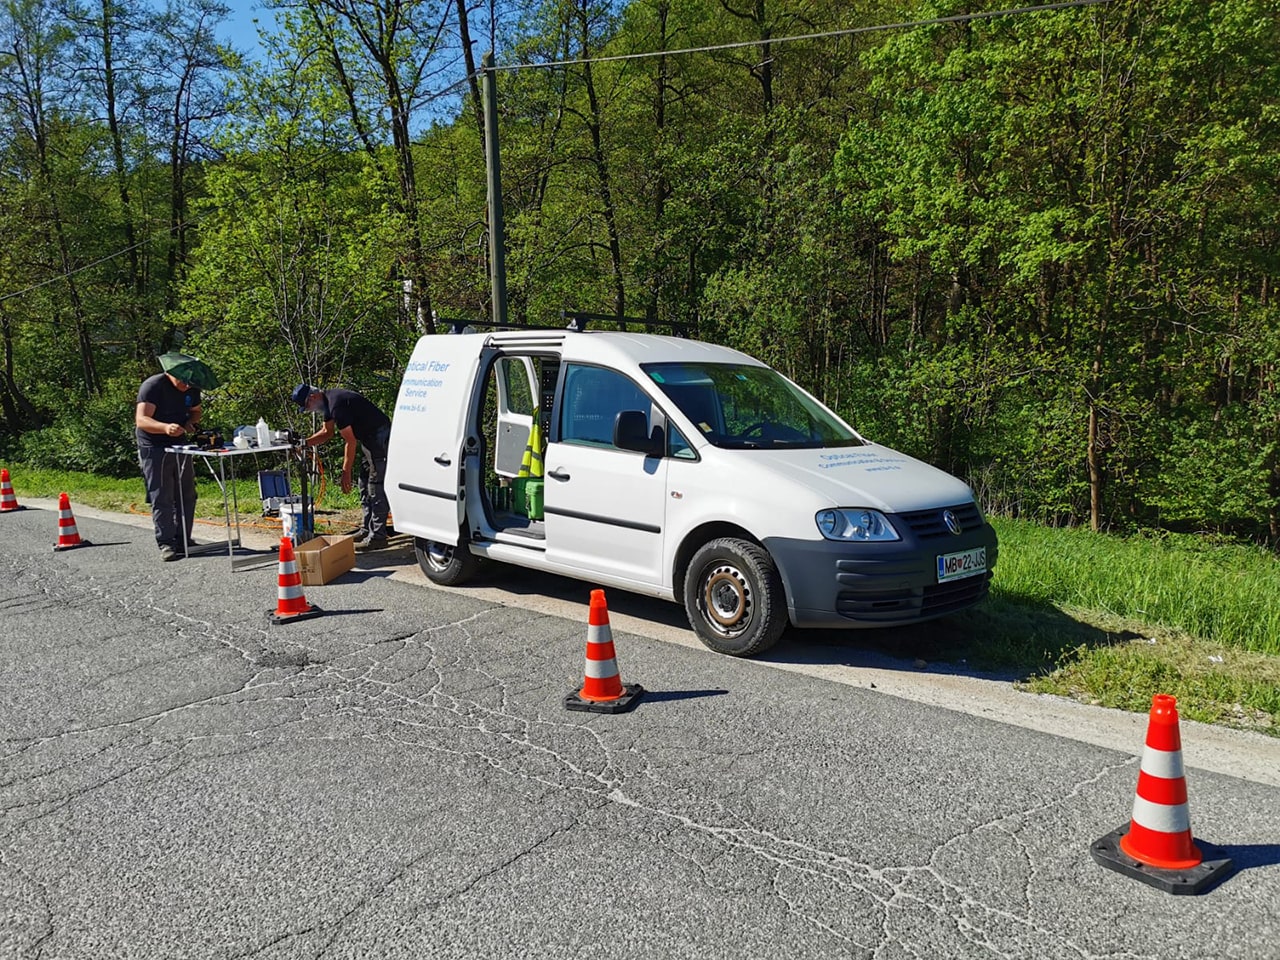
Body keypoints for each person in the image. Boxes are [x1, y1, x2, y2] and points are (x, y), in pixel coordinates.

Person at [292, 383, 392, 549]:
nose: (309, 410)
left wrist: (346, 472)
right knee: (363, 484)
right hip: (367, 438)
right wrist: (304, 444)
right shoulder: (327, 404)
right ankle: (367, 529)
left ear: (313, 397)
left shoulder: (336, 404)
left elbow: (350, 441)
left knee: (375, 486)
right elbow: (327, 432)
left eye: (307, 406)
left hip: (379, 435)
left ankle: (378, 537)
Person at [135, 368, 202, 561]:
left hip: (180, 444)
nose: (187, 386)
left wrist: (190, 422)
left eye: (190, 382)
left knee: (187, 493)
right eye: (183, 381)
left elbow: (196, 411)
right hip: (154, 445)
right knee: (162, 494)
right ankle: (166, 542)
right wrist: (165, 427)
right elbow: (141, 420)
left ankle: (183, 539)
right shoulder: (153, 386)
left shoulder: (192, 388)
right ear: (171, 373)